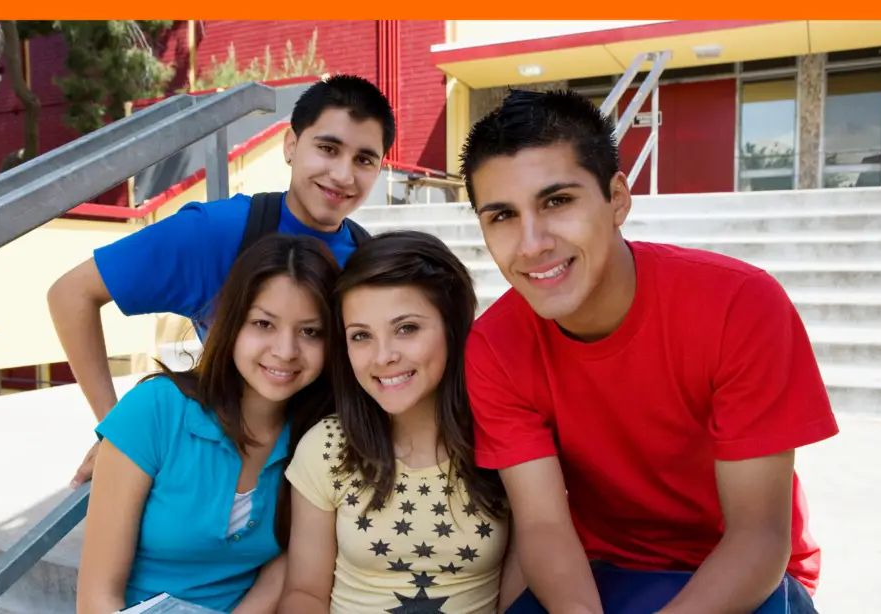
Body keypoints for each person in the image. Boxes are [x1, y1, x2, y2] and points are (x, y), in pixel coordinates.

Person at [458, 89, 840, 614]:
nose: (531, 244)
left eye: (557, 201)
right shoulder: (495, 346)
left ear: (617, 199)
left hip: (738, 577)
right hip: (599, 573)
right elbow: (544, 525)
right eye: (501, 216)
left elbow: (758, 538)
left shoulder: (739, 304)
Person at [48, 74, 396, 488]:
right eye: (327, 148)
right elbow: (71, 293)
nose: (342, 174)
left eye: (364, 159)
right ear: (290, 146)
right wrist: (116, 430)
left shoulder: (367, 259)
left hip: (323, 479)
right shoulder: (218, 231)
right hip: (222, 475)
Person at [76, 234, 341, 614]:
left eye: (310, 331)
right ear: (232, 324)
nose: (285, 351)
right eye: (264, 324)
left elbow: (285, 567)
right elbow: (96, 599)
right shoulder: (155, 410)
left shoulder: (320, 435)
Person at [278, 231, 525, 614]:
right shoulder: (328, 446)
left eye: (406, 328)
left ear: (452, 327)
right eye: (361, 336)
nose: (383, 356)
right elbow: (304, 592)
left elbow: (519, 597)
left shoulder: (504, 436)